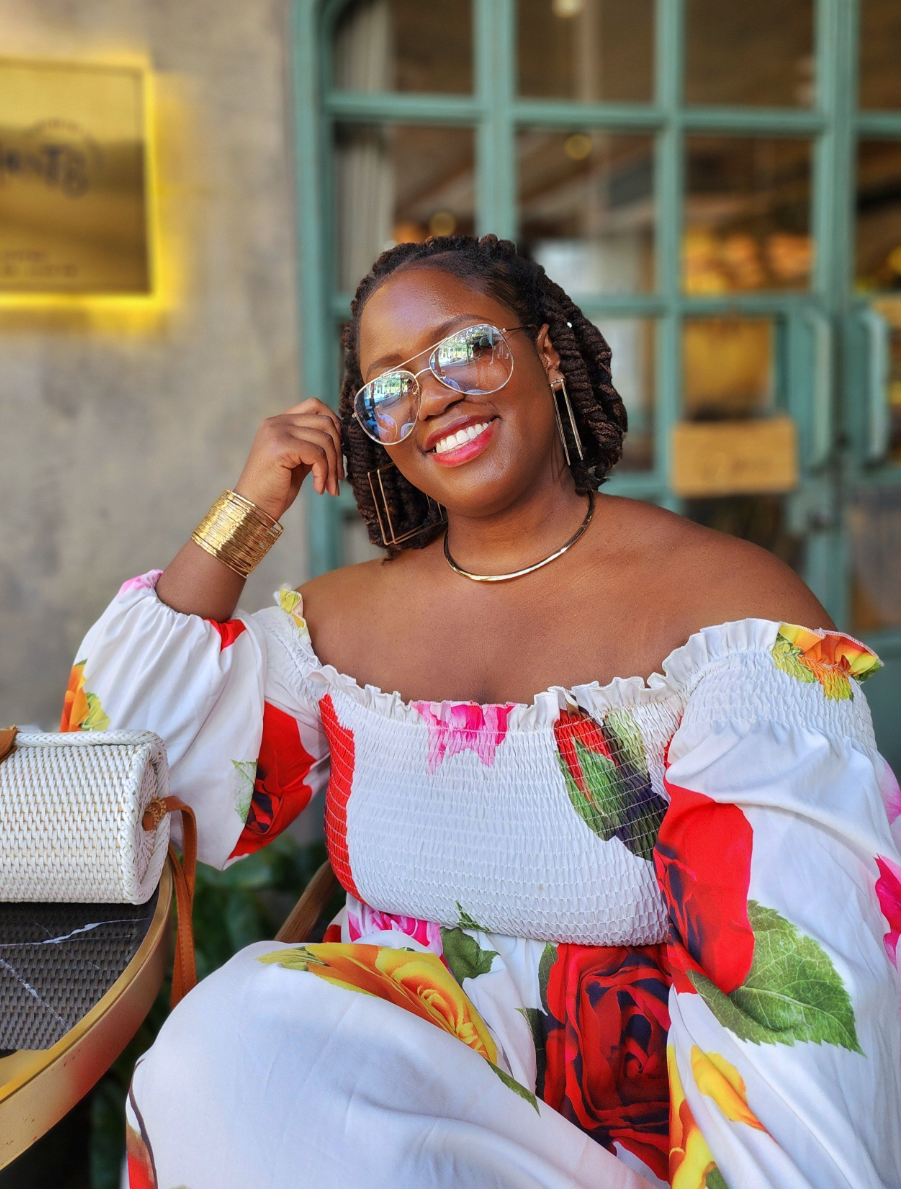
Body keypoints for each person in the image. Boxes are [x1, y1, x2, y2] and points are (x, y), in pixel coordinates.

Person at [64, 235, 901, 1189]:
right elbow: (118, 780)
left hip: (636, 1134)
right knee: (221, 1048)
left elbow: (795, 993)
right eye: (389, 387)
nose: (431, 397)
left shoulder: (725, 611)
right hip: (372, 1105)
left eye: (465, 348)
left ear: (546, 353)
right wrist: (247, 511)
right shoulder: (338, 625)